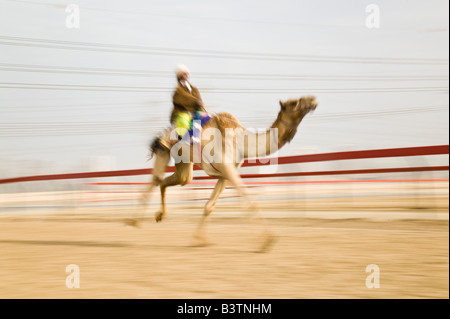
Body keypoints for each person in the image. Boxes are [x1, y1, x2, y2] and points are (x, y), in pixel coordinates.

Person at [171, 65, 205, 137]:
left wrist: (200, 105)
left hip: (195, 111)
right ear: (179, 75)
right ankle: (185, 139)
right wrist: (196, 102)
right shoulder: (178, 90)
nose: (186, 75)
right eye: (184, 73)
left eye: (187, 73)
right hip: (183, 112)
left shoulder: (194, 89)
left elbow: (199, 99)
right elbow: (184, 98)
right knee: (184, 121)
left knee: (207, 119)